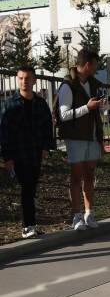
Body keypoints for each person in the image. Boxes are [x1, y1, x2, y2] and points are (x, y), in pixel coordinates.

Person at [0, 65, 53, 239]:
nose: (24, 82)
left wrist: (46, 147)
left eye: (28, 78)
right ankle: (27, 226)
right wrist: (7, 157)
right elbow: (3, 132)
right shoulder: (9, 105)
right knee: (27, 188)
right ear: (17, 79)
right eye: (21, 78)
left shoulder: (40, 103)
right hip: (18, 154)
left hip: (35, 153)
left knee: (31, 189)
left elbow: (47, 126)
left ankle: (31, 224)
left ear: (34, 80)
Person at [57, 49, 103, 231]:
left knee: (90, 176)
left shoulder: (93, 84)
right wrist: (87, 107)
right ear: (87, 65)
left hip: (91, 137)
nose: (96, 69)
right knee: (76, 177)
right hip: (76, 138)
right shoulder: (68, 85)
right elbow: (64, 115)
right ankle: (76, 216)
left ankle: (89, 213)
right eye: (95, 65)